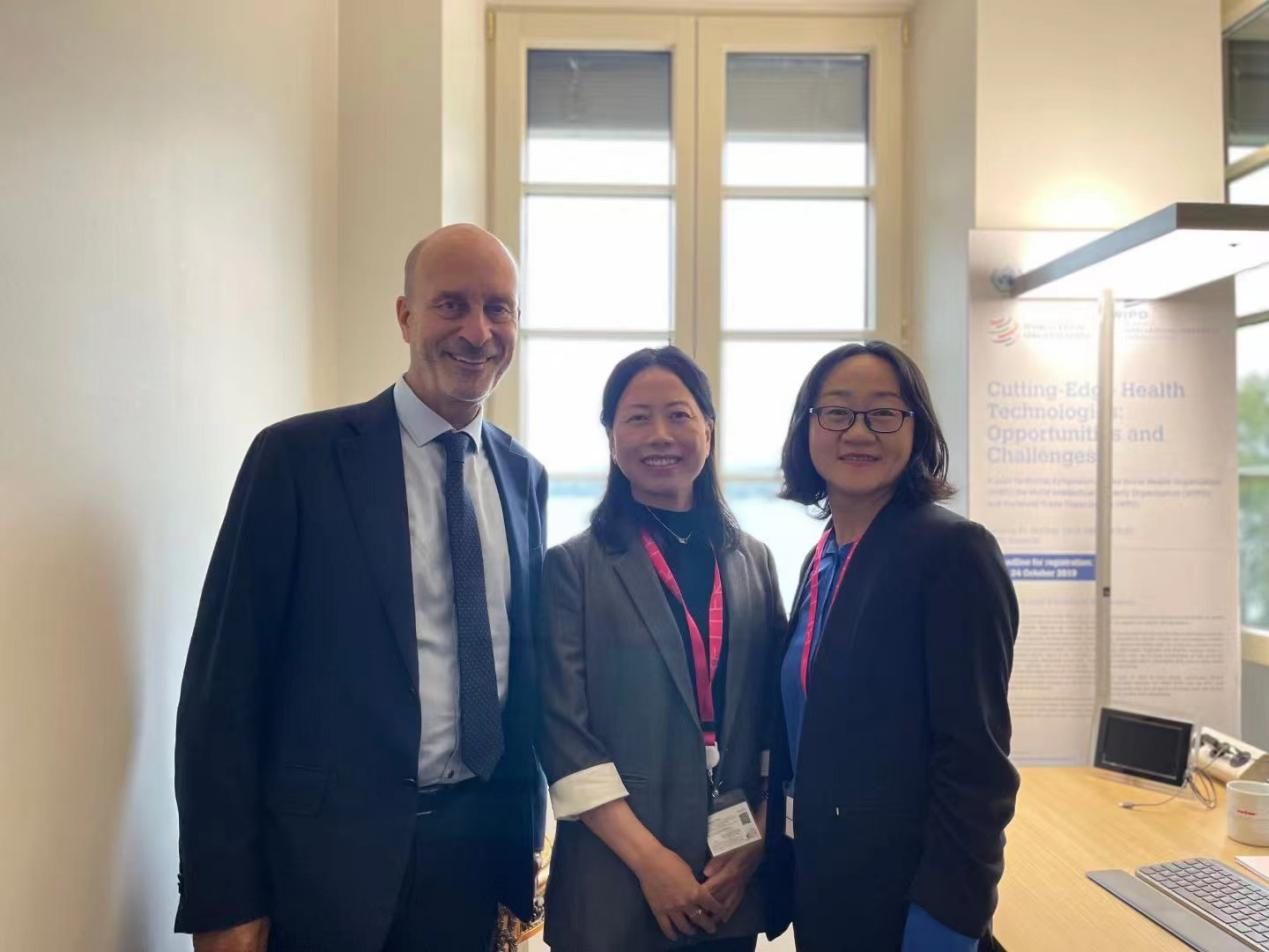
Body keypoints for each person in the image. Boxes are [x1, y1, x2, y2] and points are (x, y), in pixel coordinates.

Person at [174, 224, 547, 952]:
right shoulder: (297, 459)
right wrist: (224, 898)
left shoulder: (522, 477)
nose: (477, 331)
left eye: (498, 308)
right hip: (320, 870)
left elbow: (519, 672)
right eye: (451, 304)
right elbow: (224, 690)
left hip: (472, 862)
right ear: (405, 316)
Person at [765, 341, 1019, 951]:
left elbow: (976, 768)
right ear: (807, 428)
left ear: (916, 429)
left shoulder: (953, 553)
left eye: (883, 412)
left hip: (910, 900)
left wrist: (945, 928)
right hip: (828, 886)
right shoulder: (820, 559)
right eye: (836, 412)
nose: (859, 432)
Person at [537, 347, 786, 951]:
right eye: (637, 418)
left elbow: (775, 720)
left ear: (709, 430)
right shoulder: (574, 567)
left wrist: (755, 841)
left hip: (727, 882)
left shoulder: (753, 560)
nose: (660, 436)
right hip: (613, 885)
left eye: (678, 415)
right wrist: (652, 863)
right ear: (611, 437)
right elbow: (562, 731)